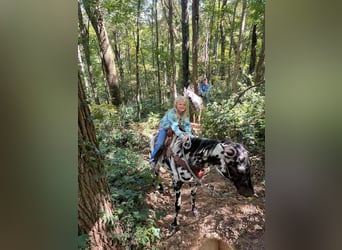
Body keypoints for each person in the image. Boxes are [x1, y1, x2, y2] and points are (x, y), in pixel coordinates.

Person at [150, 96, 192, 168]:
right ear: (176, 105)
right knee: (160, 143)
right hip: (166, 128)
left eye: (184, 105)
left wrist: (188, 134)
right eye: (180, 104)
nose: (182, 106)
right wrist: (182, 136)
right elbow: (174, 126)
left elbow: (187, 125)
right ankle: (153, 159)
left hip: (178, 127)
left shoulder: (186, 114)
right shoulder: (172, 113)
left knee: (192, 138)